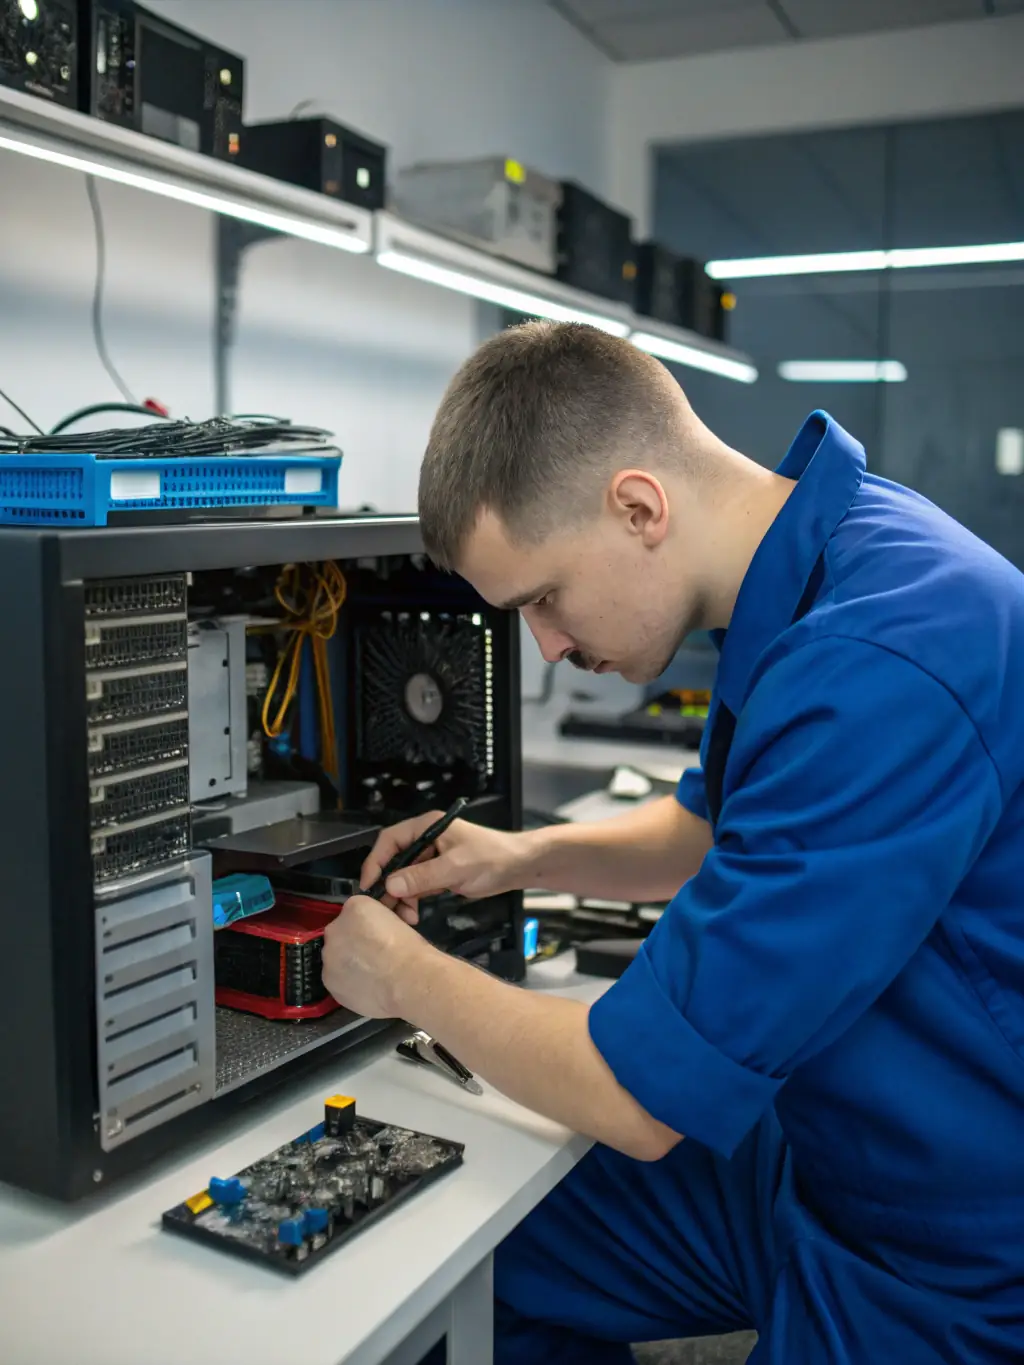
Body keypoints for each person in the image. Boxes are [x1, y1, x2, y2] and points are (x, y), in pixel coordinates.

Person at [320, 322, 1024, 1363]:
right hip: (819, 1152)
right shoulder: (813, 565)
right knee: (474, 1262)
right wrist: (521, 856)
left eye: (544, 599)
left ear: (638, 507)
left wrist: (405, 978)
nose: (548, 645)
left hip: (953, 1241)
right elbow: (706, 832)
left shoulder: (882, 664)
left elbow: (637, 1097)